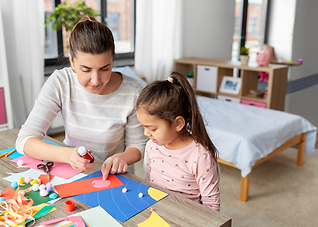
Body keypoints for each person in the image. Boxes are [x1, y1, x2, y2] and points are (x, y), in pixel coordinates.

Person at [16, 16, 147, 180]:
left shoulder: (132, 91)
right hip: (71, 174)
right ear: (71, 60)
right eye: (85, 69)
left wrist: (122, 158)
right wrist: (68, 155)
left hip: (113, 178)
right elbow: (25, 140)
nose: (96, 80)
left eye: (104, 68)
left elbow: (138, 145)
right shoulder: (61, 82)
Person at [136, 72, 220, 211]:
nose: (146, 134)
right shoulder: (153, 144)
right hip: (154, 209)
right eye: (143, 127)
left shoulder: (199, 156)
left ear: (178, 124)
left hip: (185, 216)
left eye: (152, 128)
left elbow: (211, 205)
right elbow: (149, 180)